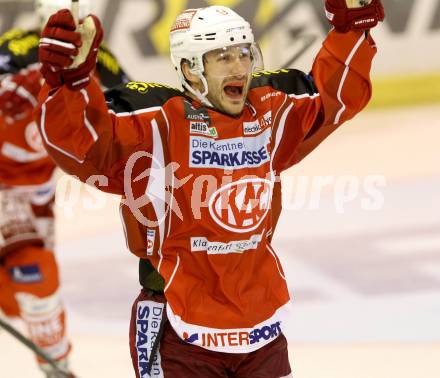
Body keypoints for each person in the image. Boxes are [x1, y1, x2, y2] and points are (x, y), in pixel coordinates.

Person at [35, 1, 384, 377]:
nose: (238, 66)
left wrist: (350, 30)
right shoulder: (155, 123)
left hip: (259, 326)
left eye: (243, 53)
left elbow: (334, 99)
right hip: (176, 330)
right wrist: (69, 83)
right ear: (190, 68)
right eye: (222, 57)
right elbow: (78, 143)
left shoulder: (270, 109)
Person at [0, 0, 130, 376]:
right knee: (36, 277)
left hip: (38, 191)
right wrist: (20, 83)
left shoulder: (99, 59)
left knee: (18, 299)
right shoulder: (17, 49)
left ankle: (54, 362)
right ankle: (57, 366)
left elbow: (134, 107)